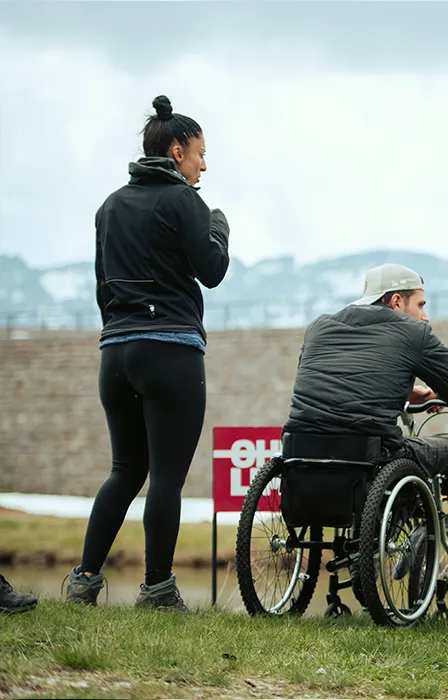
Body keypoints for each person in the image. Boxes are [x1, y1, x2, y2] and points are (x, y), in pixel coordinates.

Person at [66, 95, 230, 612]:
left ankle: (84, 581)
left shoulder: (108, 206)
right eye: (201, 153)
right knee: (165, 477)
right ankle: (157, 588)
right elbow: (213, 270)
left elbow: (101, 287)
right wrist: (220, 226)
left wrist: (120, 331)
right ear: (177, 150)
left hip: (115, 353)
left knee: (124, 470)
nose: (205, 164)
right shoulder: (186, 202)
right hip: (170, 351)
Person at [281, 262, 448, 477]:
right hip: (372, 456)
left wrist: (405, 393)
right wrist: (441, 393)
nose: (425, 316)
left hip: (300, 449)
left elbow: (327, 380)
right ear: (397, 301)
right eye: (420, 305)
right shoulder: (414, 332)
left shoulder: (319, 327)